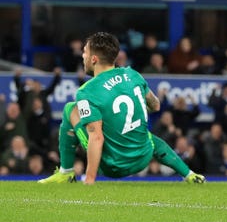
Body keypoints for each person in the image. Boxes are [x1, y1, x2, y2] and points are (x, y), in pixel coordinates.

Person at [38, 32, 205, 184]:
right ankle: (190, 175)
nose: (83, 56)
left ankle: (66, 172)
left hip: (113, 167)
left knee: (69, 109)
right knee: (148, 137)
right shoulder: (133, 75)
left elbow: (96, 138)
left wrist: (89, 179)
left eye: (85, 52)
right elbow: (155, 105)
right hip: (143, 158)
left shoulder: (87, 91)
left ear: (94, 59)